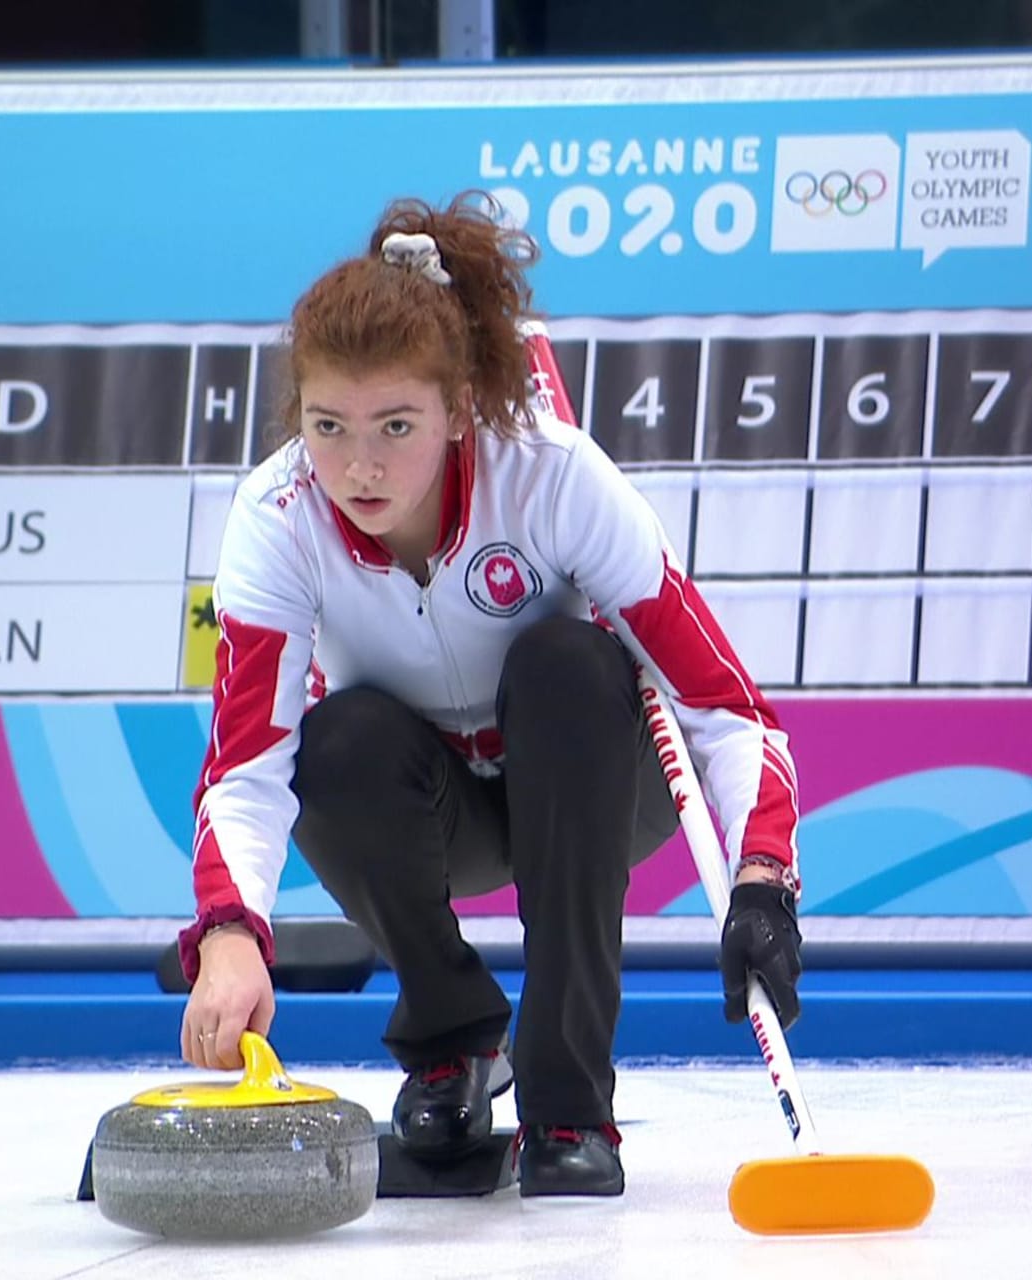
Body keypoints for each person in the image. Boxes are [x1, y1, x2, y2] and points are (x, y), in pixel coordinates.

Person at [177, 193, 803, 1198]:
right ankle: (451, 1044)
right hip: (438, 807)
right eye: (328, 426)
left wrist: (763, 879)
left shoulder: (552, 475)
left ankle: (567, 1101)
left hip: (593, 782)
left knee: (565, 664)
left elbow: (725, 707)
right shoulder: (277, 516)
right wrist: (228, 934)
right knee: (334, 745)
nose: (360, 464)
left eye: (395, 425)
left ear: (458, 407)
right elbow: (245, 767)